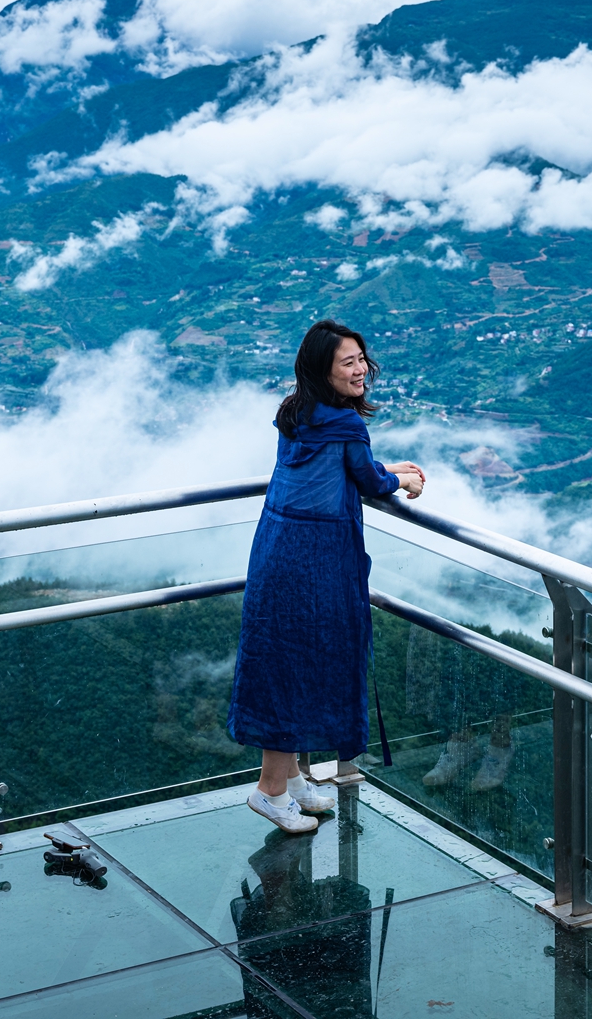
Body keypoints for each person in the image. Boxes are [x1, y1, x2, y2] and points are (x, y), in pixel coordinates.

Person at [229, 319, 426, 833]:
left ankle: (293, 781)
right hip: (316, 560)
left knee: (282, 660)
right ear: (324, 370)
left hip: (276, 551)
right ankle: (270, 792)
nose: (361, 369)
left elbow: (330, 469)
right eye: (348, 362)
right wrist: (402, 477)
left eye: (362, 358)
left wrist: (383, 467)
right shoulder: (347, 424)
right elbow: (369, 479)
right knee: (298, 669)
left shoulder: (295, 413)